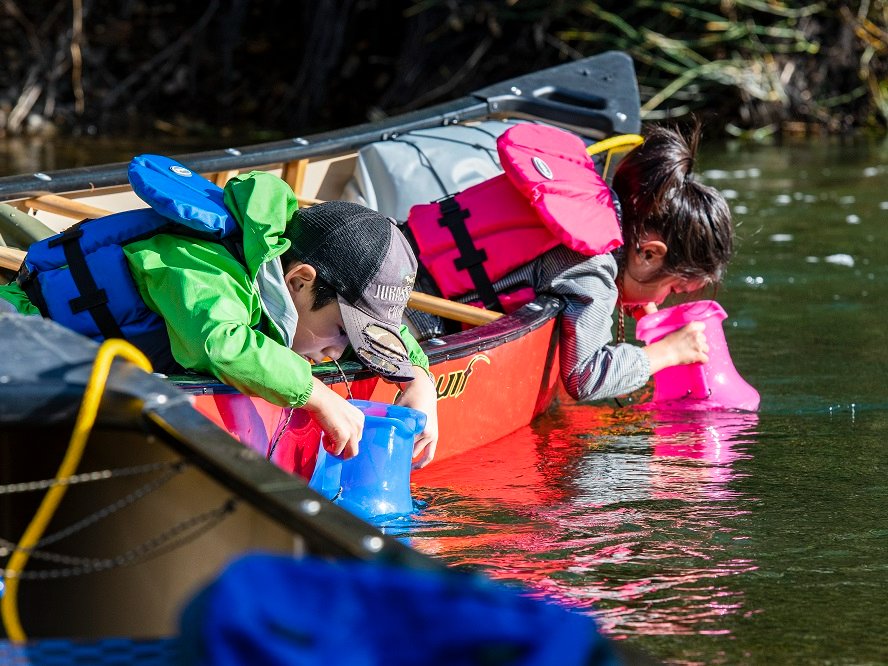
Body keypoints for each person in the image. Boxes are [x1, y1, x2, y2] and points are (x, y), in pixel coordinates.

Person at [0, 172, 439, 467]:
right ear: (300, 281)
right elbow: (224, 344)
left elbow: (389, 326)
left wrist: (418, 378)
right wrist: (318, 397)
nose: (337, 353)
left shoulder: (292, 277)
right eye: (343, 332)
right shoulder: (203, 269)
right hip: (22, 334)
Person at [404, 123, 734, 402]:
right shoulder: (593, 266)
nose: (661, 300)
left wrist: (624, 294)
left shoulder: (580, 199)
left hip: (396, 251)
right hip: (406, 313)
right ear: (650, 253)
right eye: (673, 287)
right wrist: (667, 353)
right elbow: (585, 376)